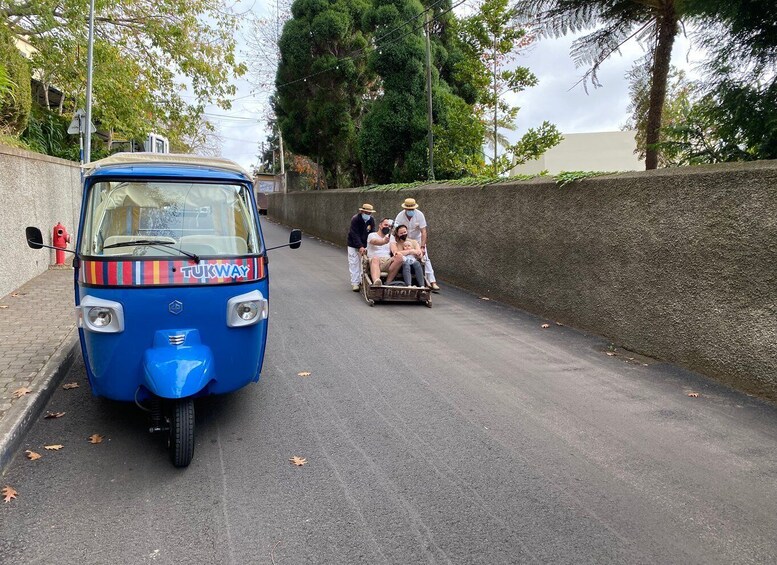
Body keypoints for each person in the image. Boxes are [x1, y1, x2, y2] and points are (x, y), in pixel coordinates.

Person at [394, 198, 440, 291]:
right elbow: (396, 229)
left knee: (425, 257)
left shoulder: (419, 215)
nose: (410, 211)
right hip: (404, 240)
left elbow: (423, 231)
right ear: (405, 209)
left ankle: (432, 281)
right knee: (401, 256)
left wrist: (422, 246)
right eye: (409, 209)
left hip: (416, 240)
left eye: (412, 209)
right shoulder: (400, 216)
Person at [347, 203, 376, 291]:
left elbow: (372, 232)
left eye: (369, 213)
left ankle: (362, 281)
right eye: (366, 213)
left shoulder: (371, 220)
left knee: (364, 263)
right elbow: (354, 234)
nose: (368, 215)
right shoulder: (355, 219)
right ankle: (355, 283)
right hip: (353, 244)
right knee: (354, 263)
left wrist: (368, 245)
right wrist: (360, 246)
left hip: (365, 244)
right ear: (362, 211)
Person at [366, 218, 403, 287]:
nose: (387, 227)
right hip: (374, 261)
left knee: (400, 257)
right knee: (375, 258)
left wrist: (395, 252)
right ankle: (376, 281)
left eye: (389, 226)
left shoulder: (391, 237)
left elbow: (393, 247)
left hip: (387, 261)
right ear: (380, 225)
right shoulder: (371, 235)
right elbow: (375, 242)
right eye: (385, 225)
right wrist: (383, 241)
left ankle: (388, 282)